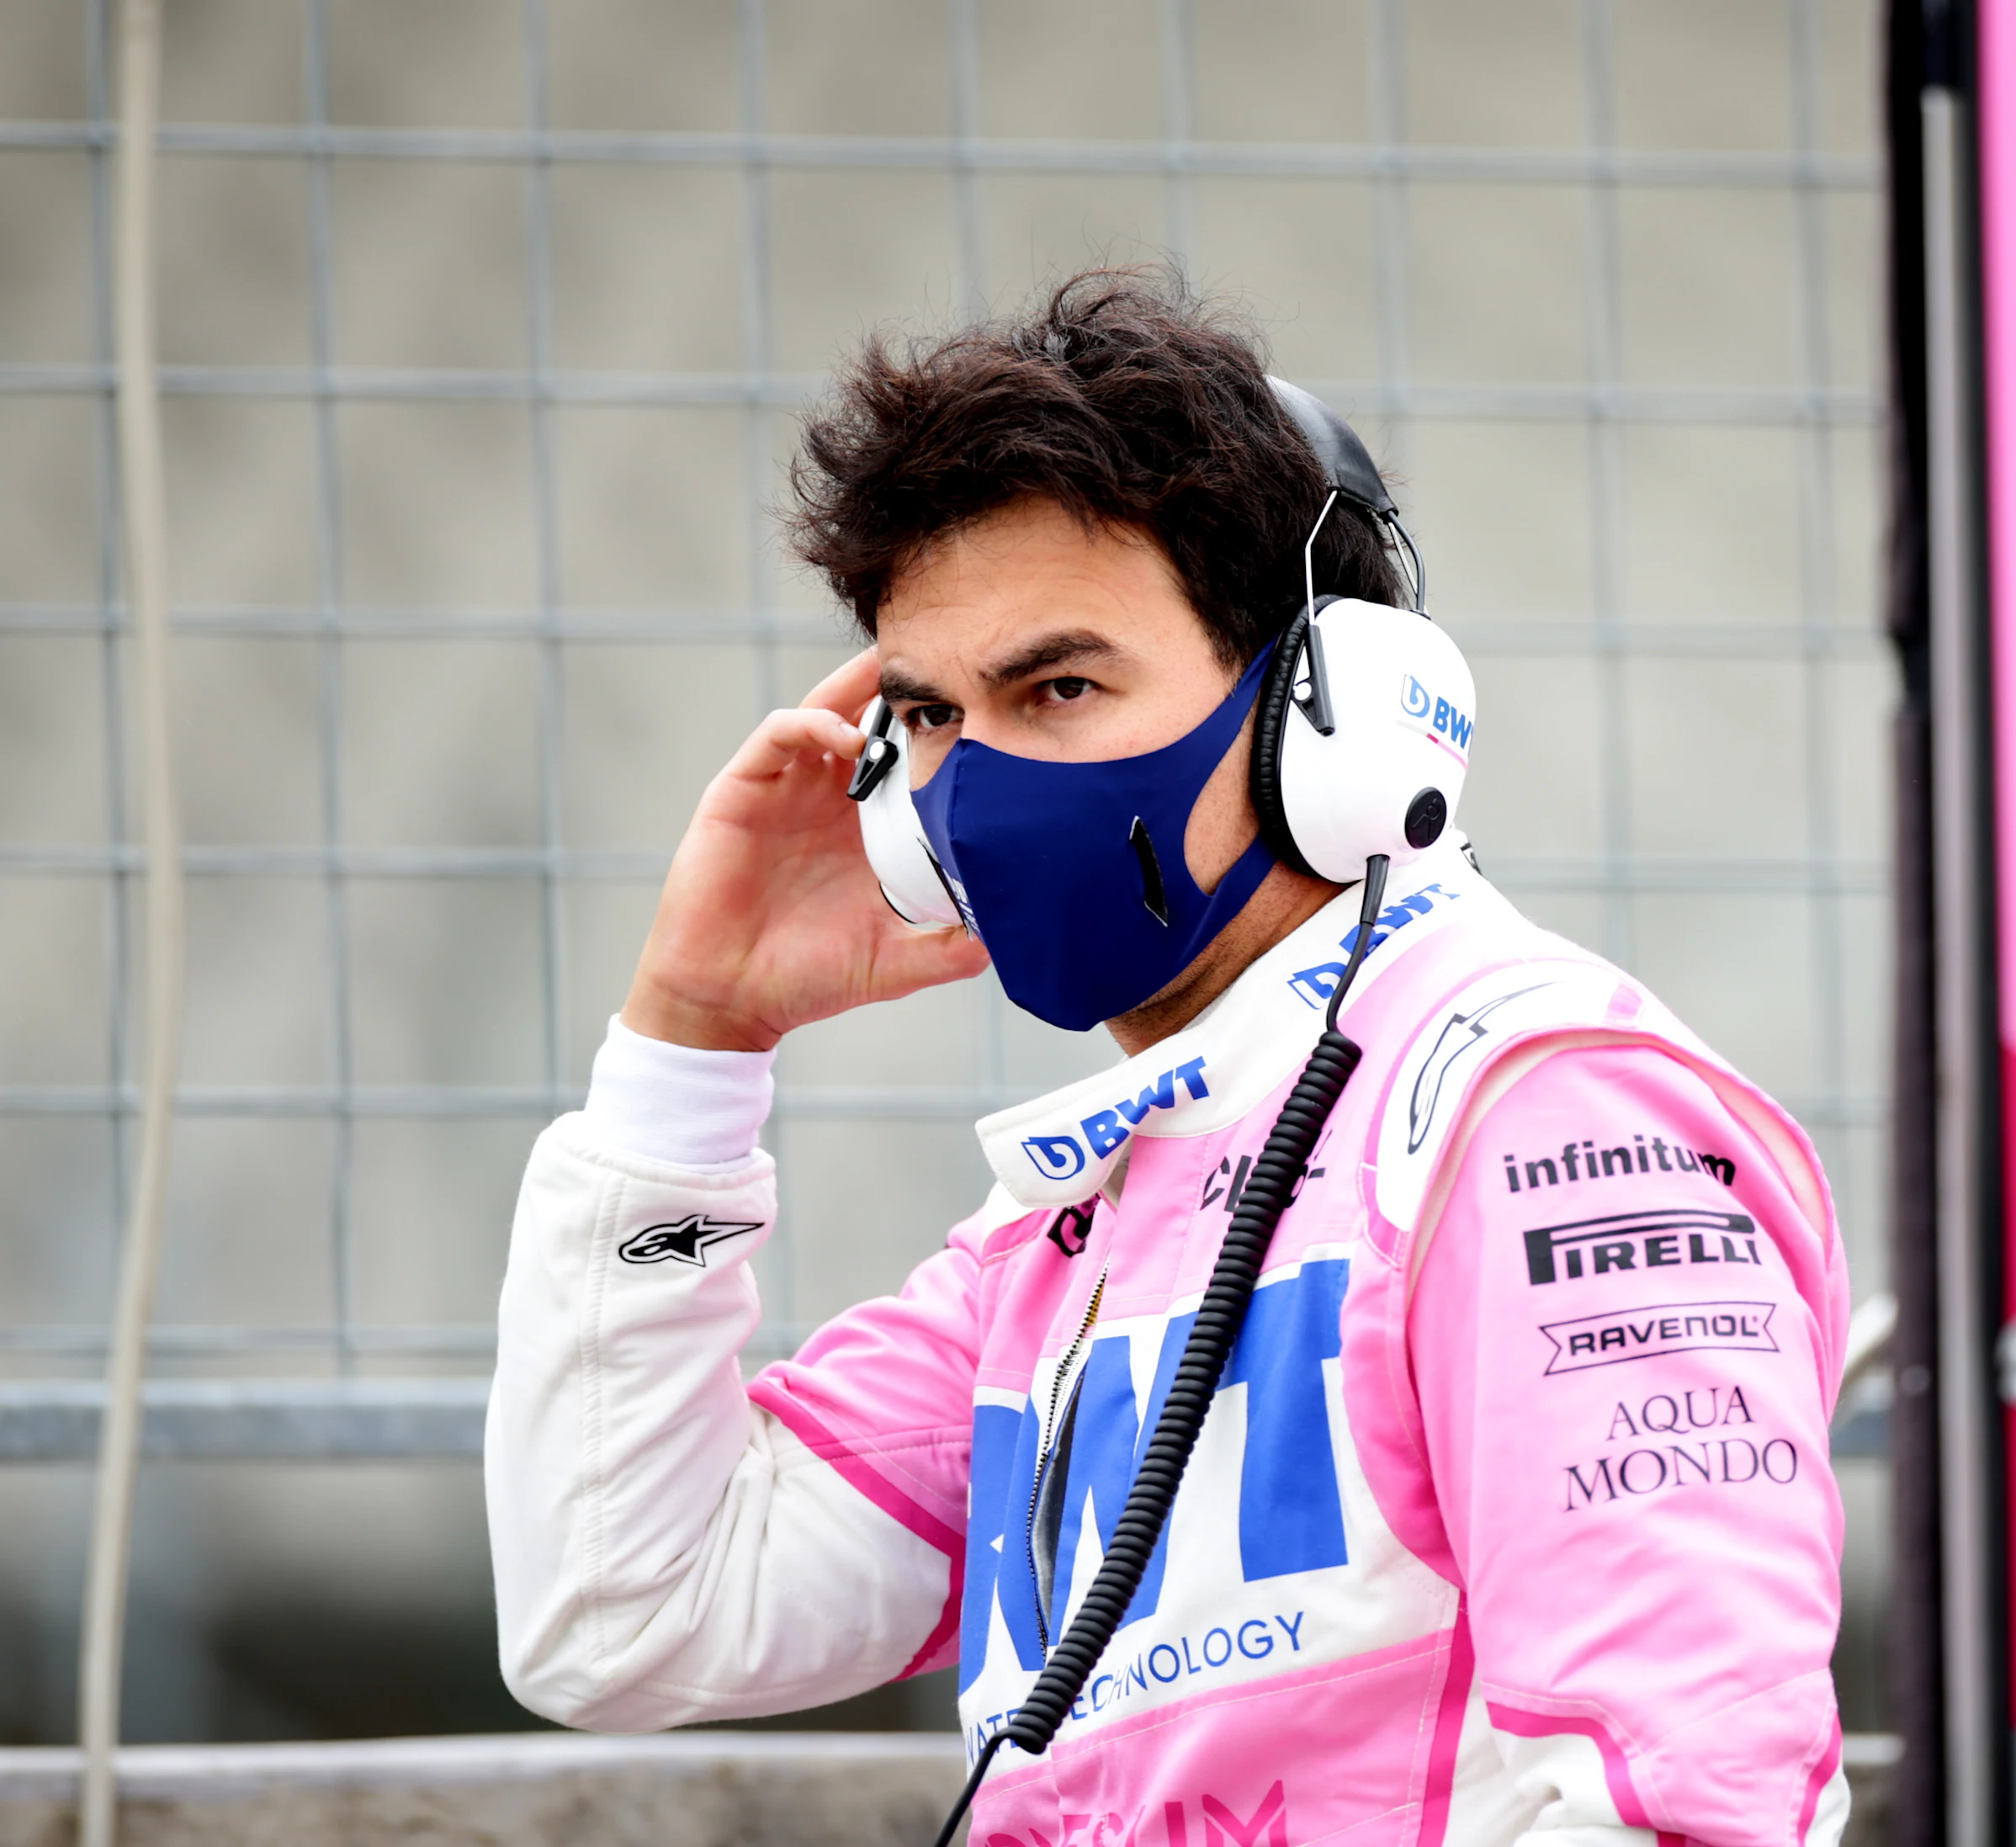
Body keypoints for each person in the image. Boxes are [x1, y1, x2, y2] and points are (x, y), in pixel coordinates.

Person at [485, 269, 1853, 1847]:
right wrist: (692, 1044)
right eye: (929, 716)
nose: (977, 783)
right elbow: (626, 1611)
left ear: (1334, 719)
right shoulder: (1077, 1219)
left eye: (1060, 686)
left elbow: (1686, 1803)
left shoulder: (1538, 1115)